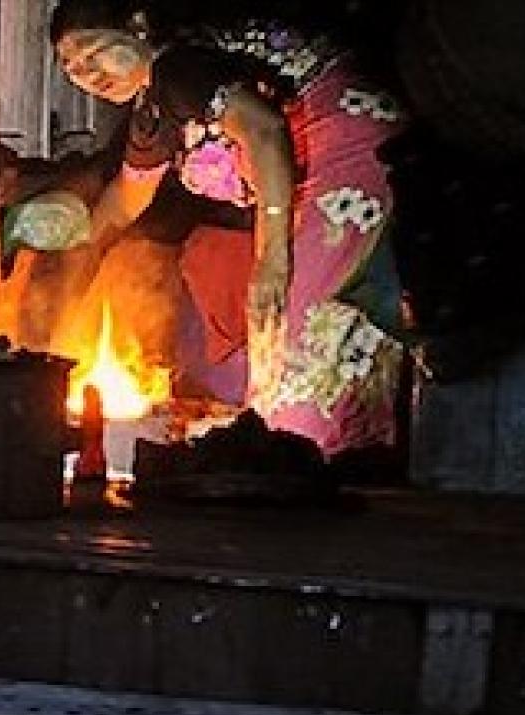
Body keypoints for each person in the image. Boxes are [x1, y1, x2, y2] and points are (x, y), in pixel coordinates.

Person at [52, 1, 409, 458]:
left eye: (94, 51)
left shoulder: (178, 68)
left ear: (138, 24)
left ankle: (318, 462)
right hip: (317, 175)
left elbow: (264, 130)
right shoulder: (154, 110)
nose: (89, 75)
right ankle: (317, 460)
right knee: (276, 335)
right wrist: (70, 266)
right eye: (73, 70)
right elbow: (126, 198)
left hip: (348, 157)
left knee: (298, 339)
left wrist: (273, 260)